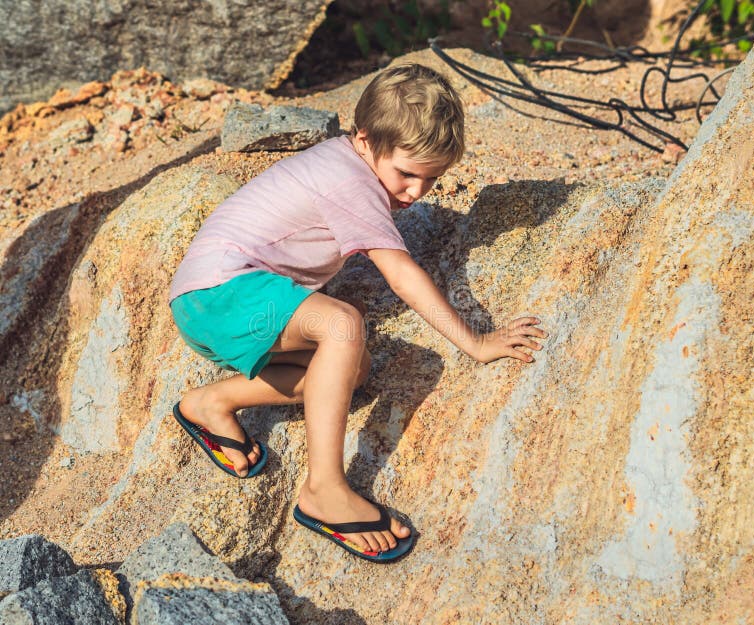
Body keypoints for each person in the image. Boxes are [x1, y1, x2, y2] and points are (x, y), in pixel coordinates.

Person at [168, 63, 547, 562]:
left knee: (352, 369)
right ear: (365, 141)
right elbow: (400, 274)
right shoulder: (350, 179)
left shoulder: (348, 163)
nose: (414, 193)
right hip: (221, 292)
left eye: (431, 180)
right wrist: (476, 342)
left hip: (207, 303)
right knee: (344, 324)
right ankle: (324, 488)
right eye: (407, 174)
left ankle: (213, 403)